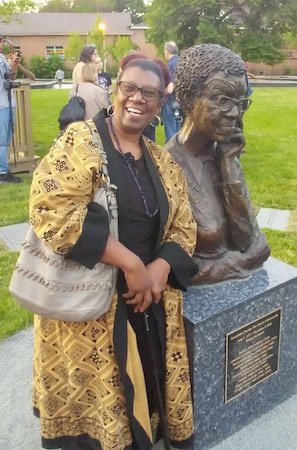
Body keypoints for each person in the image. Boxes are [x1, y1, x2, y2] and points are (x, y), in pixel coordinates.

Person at [30, 58, 199, 450]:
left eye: (150, 93)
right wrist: (130, 262)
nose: (137, 98)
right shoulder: (80, 142)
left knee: (146, 384)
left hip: (146, 300)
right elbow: (50, 208)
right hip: (90, 306)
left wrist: (157, 270)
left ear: (160, 104)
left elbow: (185, 224)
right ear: (116, 89)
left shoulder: (162, 159)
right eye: (130, 88)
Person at [166, 43, 270, 284]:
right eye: (223, 101)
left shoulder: (224, 153)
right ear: (190, 98)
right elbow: (167, 264)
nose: (235, 113)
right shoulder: (166, 165)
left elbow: (251, 241)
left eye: (241, 102)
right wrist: (231, 265)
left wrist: (229, 168)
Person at [0, 35, 21, 184]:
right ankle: (2, 173)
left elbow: (11, 77)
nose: (1, 44)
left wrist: (14, 64)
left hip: (8, 103)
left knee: (6, 140)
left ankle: (4, 170)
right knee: (1, 140)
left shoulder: (1, 58)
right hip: (1, 105)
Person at [162, 41, 181, 142]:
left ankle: (171, 157)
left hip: (170, 103)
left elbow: (170, 89)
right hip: (180, 103)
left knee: (171, 137)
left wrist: (160, 93)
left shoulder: (169, 66)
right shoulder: (182, 63)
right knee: (179, 135)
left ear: (167, 52)